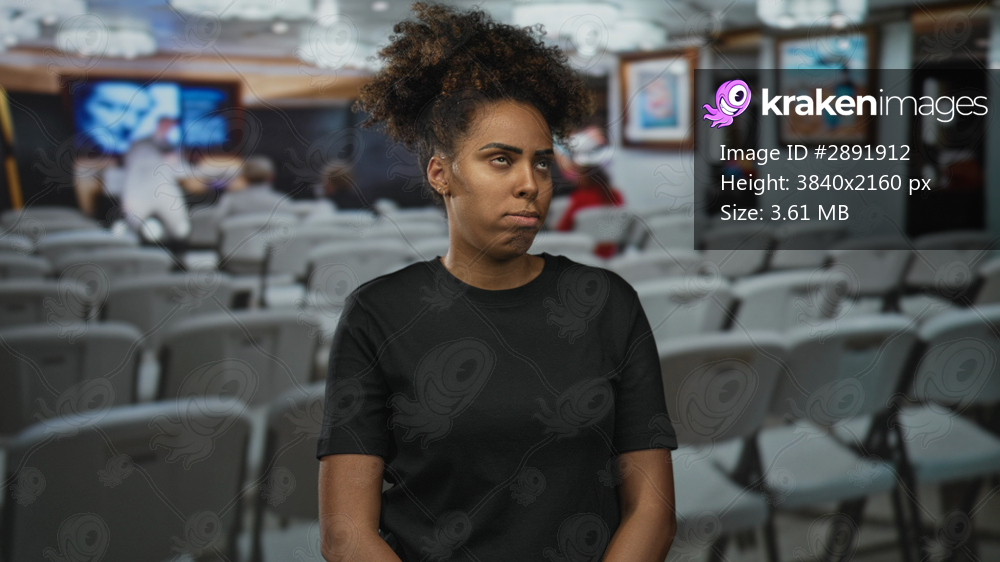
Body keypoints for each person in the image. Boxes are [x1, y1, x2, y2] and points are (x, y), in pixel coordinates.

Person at [315, 3, 677, 561]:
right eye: (501, 160)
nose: (530, 183)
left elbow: (652, 510)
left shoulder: (607, 303)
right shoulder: (378, 314)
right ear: (441, 173)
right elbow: (346, 535)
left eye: (541, 163)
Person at [553, 125, 626, 258]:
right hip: (609, 256)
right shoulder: (616, 195)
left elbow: (562, 232)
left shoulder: (580, 198)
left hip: (581, 257)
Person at [119, 116, 190, 243]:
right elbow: (131, 175)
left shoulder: (171, 147)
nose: (168, 128)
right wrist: (127, 200)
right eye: (166, 124)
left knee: (181, 230)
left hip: (165, 195)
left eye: (171, 125)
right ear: (159, 124)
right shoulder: (140, 145)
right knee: (137, 235)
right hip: (140, 196)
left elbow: (183, 170)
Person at [214, 155, 289, 218]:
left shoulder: (229, 201)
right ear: (271, 177)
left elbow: (215, 223)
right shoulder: (282, 202)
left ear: (244, 177)